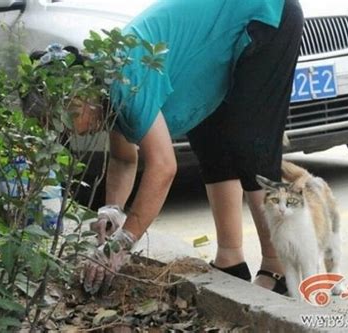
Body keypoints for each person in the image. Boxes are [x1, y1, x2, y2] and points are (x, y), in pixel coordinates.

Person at [74, 0, 305, 295]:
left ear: (81, 94)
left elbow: (163, 167)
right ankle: (230, 259)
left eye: (67, 114)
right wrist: (112, 210)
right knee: (210, 140)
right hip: (217, 38)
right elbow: (123, 159)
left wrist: (124, 241)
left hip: (266, 13)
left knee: (250, 142)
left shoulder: (125, 80)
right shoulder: (107, 88)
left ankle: (278, 267)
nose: (69, 129)